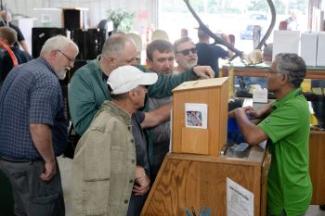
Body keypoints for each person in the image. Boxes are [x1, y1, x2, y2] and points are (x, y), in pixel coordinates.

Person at [68, 34, 214, 136]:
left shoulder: (133, 69)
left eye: (136, 59)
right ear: (111, 60)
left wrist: (192, 72)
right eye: (130, 61)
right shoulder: (83, 79)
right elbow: (84, 125)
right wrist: (137, 118)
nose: (134, 65)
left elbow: (163, 83)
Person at [0, 35, 79, 216]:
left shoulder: (19, 71)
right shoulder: (46, 80)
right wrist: (50, 160)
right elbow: (38, 125)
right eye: (70, 59)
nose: (72, 65)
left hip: (9, 164)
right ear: (54, 54)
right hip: (33, 169)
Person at [229, 53, 312, 216]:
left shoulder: (294, 108)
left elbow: (252, 137)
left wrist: (238, 113)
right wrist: (262, 111)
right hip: (279, 192)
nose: (266, 75)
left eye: (271, 71)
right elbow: (278, 104)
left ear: (283, 78)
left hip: (287, 199)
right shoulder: (290, 100)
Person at [71, 65, 159, 215]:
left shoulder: (125, 118)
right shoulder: (105, 127)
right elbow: (90, 181)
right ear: (133, 93)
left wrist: (137, 171)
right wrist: (135, 171)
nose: (146, 91)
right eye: (144, 87)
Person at [145, 39, 174, 180]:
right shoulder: (145, 87)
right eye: (161, 60)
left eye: (170, 59)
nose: (168, 65)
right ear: (149, 62)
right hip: (155, 159)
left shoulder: (177, 80)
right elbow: (156, 135)